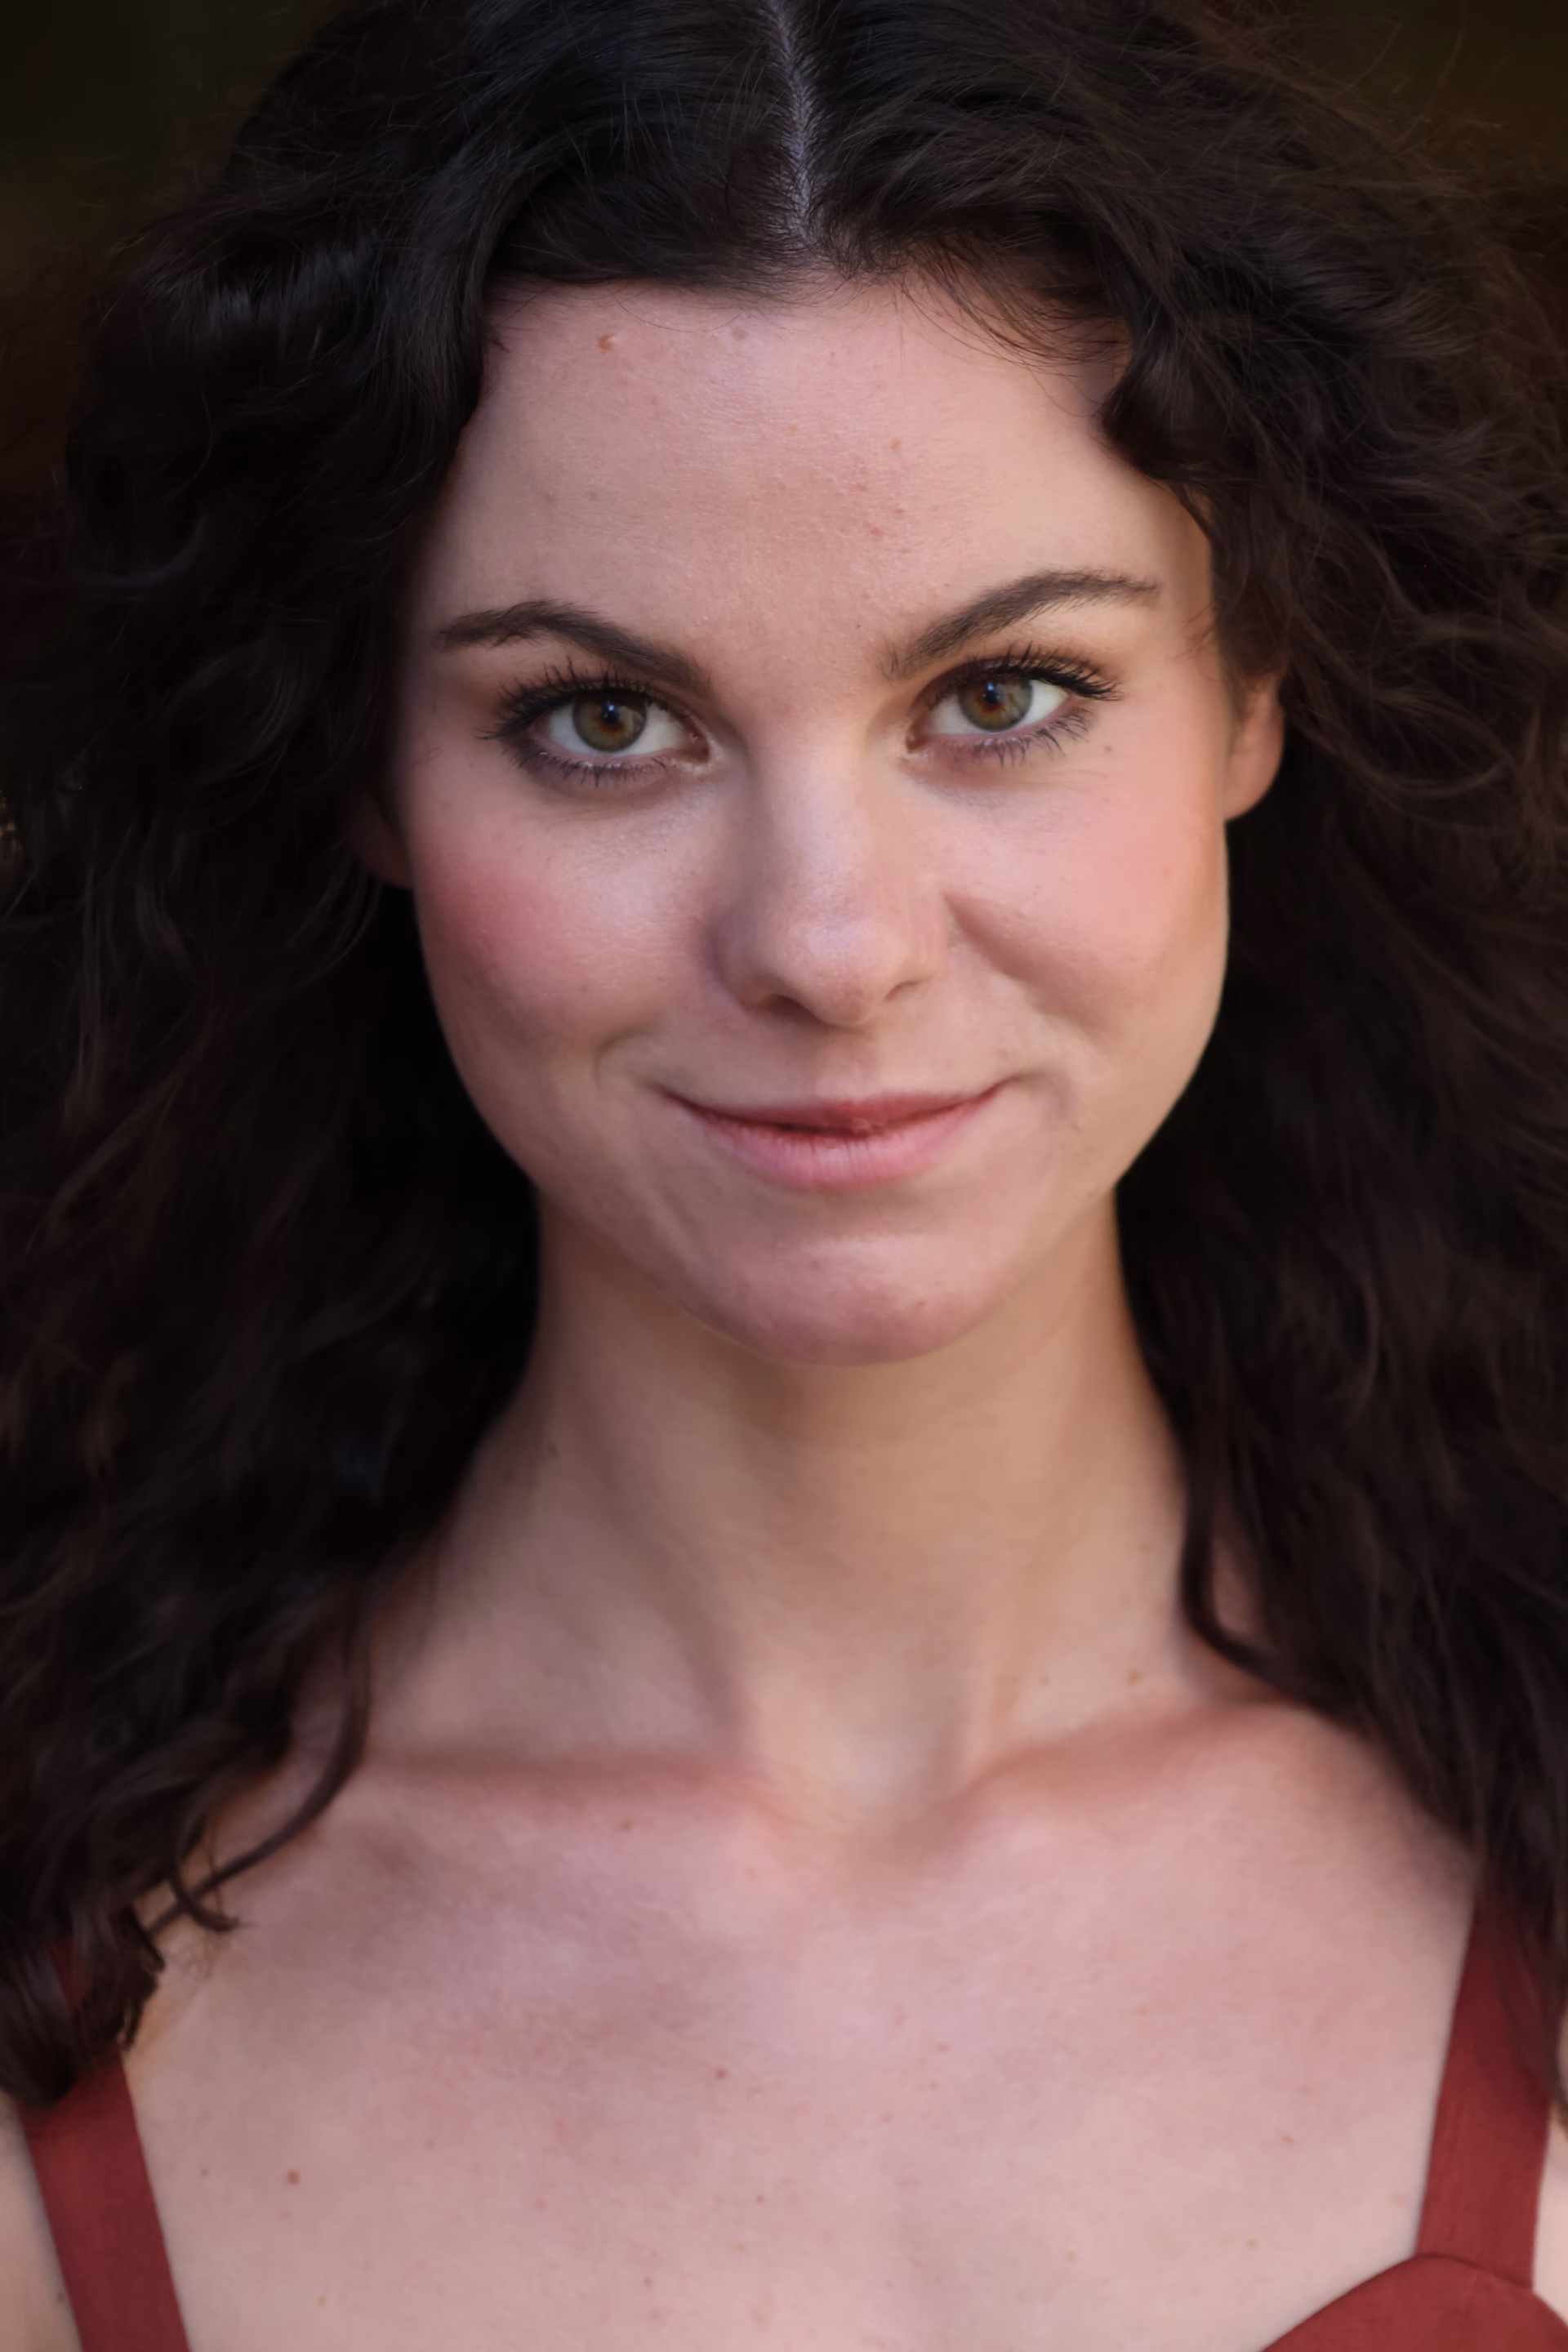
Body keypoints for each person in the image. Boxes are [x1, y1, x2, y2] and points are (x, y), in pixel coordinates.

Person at [3, 0, 1568, 2342]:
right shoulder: (55, 2007)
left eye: (1004, 694)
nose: (830, 946)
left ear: (1259, 689)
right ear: (362, 773)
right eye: (602, 719)